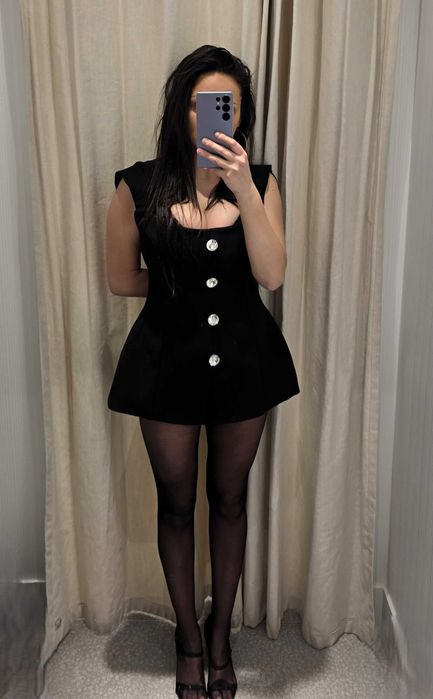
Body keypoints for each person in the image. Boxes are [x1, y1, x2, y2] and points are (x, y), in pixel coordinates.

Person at [106, 45, 300, 699]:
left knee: (230, 499)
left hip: (246, 363)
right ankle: (188, 639)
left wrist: (243, 187)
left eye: (226, 107)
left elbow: (272, 274)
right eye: (200, 105)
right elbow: (120, 279)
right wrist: (177, 288)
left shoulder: (260, 182)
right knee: (175, 504)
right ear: (179, 110)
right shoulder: (136, 186)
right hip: (165, 364)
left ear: (240, 116)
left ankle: (221, 639)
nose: (213, 117)